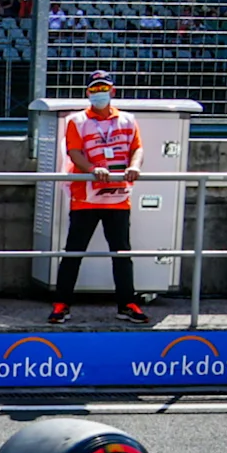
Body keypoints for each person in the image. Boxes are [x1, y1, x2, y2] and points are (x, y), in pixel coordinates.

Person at [52, 71, 148, 323]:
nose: (99, 94)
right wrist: (92, 170)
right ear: (88, 93)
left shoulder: (127, 120)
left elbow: (137, 147)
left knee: (121, 253)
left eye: (103, 89)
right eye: (94, 90)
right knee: (73, 252)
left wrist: (135, 166)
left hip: (118, 197)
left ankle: (127, 304)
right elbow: (74, 152)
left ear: (112, 91)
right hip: (85, 198)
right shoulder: (77, 120)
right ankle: (62, 304)